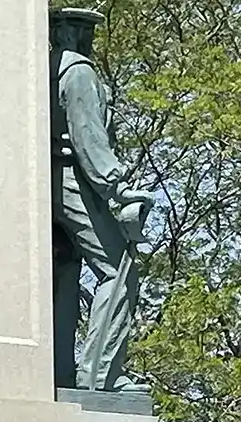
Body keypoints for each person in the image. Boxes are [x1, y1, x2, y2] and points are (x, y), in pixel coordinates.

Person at [49, 7, 155, 392]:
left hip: (44, 185)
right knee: (119, 273)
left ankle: (59, 373)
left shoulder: (40, 70)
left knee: (63, 273)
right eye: (83, 31)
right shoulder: (77, 72)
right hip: (72, 181)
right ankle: (100, 377)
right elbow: (88, 139)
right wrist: (120, 188)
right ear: (69, 34)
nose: (88, 39)